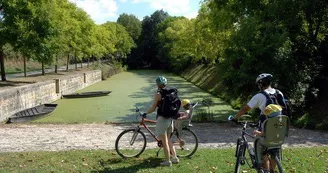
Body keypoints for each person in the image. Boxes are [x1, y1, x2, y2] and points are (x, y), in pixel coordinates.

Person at [232, 73, 287, 172]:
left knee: (260, 144)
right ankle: (272, 170)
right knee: (275, 147)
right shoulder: (280, 93)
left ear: (261, 84)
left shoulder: (260, 96)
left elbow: (245, 109)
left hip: (266, 129)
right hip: (280, 129)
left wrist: (236, 118)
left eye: (258, 84)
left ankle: (265, 169)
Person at [143, 76, 179, 167]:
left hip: (162, 120)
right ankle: (174, 158)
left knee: (164, 142)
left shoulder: (158, 95)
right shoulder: (171, 92)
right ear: (165, 84)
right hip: (170, 119)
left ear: (157, 85)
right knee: (168, 140)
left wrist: (145, 112)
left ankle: (168, 161)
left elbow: (153, 108)